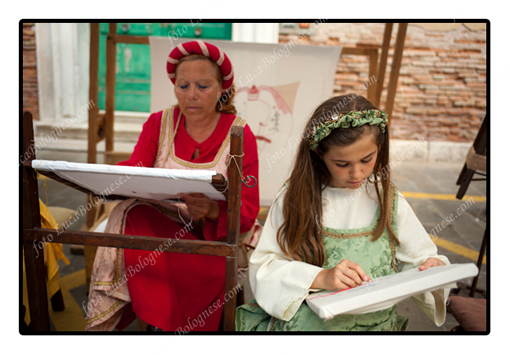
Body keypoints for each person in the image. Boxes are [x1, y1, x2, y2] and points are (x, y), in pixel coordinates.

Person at [236, 94, 450, 331]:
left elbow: (421, 259)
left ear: (380, 148)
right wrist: (321, 278)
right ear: (319, 154)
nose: (357, 173)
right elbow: (265, 266)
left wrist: (432, 267)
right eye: (342, 164)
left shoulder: (388, 200)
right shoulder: (294, 198)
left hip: (375, 326)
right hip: (310, 327)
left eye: (367, 160)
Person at [85, 40, 260, 332]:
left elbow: (249, 211)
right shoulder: (159, 123)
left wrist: (213, 211)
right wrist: (100, 178)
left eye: (203, 86)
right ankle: (159, 320)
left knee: (195, 260)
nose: (191, 95)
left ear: (221, 90)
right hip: (162, 227)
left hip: (210, 239)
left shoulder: (240, 134)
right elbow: (136, 169)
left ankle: (172, 326)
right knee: (133, 213)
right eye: (183, 86)